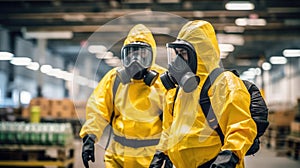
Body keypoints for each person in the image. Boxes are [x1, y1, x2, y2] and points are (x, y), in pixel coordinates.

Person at [149, 20, 257, 168]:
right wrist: (160, 153)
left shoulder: (225, 84)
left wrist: (227, 159)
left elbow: (241, 129)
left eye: (184, 54)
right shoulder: (177, 91)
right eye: (177, 54)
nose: (178, 61)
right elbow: (169, 130)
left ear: (200, 53)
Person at [80, 24, 169, 168]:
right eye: (131, 53)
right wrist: (90, 136)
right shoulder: (114, 79)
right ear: (124, 55)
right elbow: (98, 109)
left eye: (143, 54)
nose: (136, 59)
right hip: (117, 157)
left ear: (152, 56)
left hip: (151, 158)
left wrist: (165, 152)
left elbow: (173, 121)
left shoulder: (163, 82)